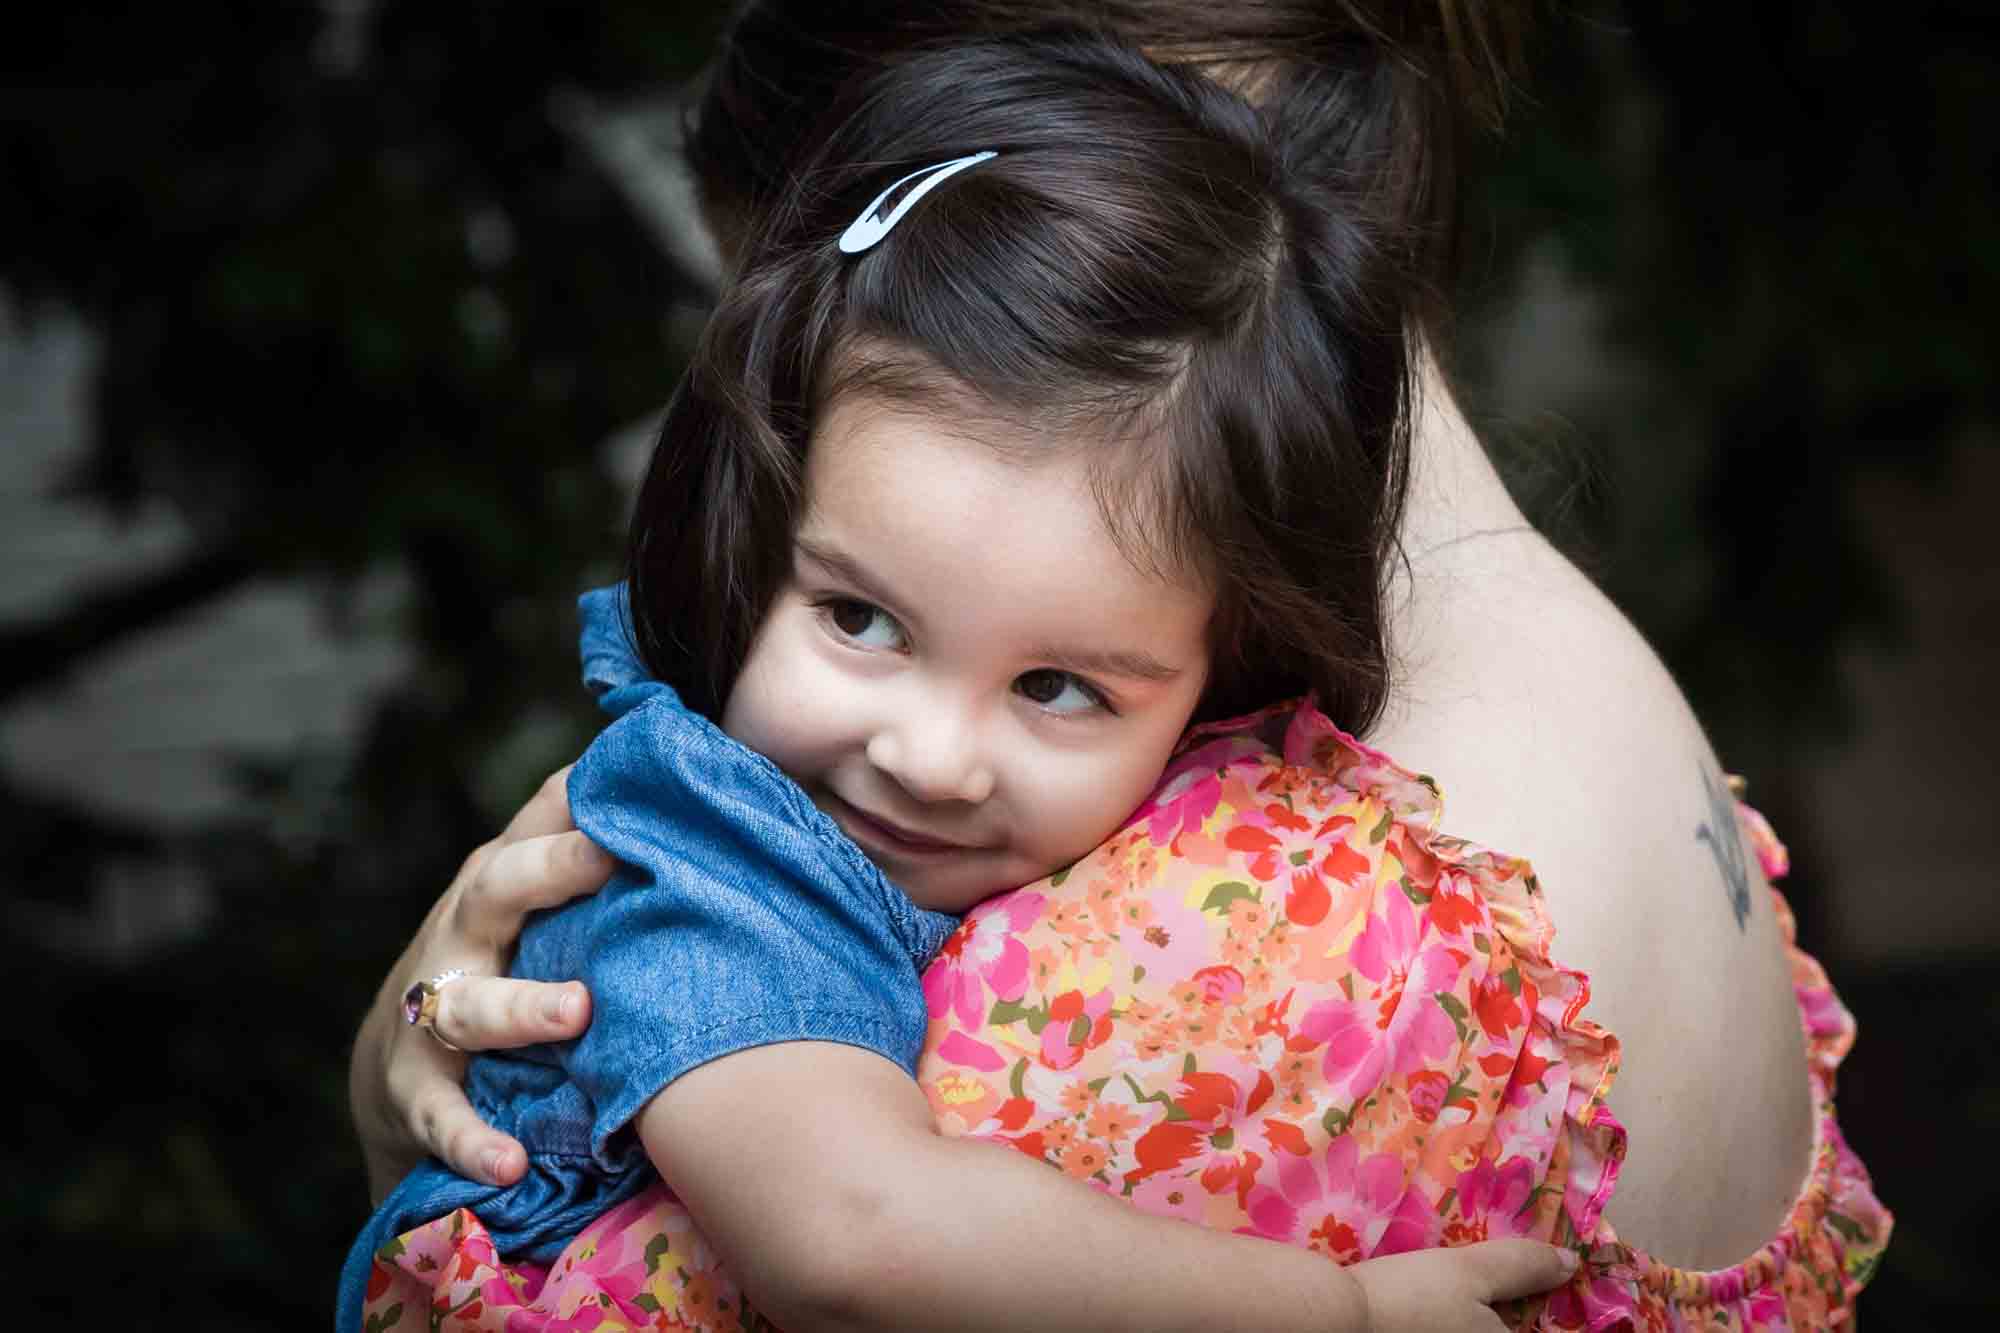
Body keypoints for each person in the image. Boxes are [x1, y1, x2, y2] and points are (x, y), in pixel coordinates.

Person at [348, 3, 1890, 1328]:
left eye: (1061, 684)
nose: (932, 754)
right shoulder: (1594, 696)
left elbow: (853, 1240)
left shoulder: (1296, 954)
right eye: (860, 609)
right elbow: (849, 1227)